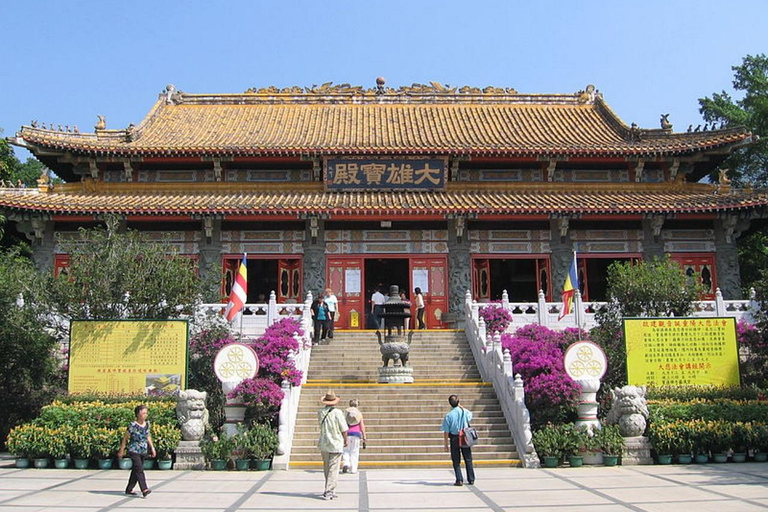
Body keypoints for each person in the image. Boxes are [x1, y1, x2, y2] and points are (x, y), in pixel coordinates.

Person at [117, 404, 156, 498]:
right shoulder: (132, 425)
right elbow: (125, 438)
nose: (145, 415)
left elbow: (148, 436)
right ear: (138, 414)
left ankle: (129, 489)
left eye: (146, 413)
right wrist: (121, 450)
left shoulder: (147, 424)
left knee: (136, 470)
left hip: (143, 450)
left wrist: (152, 448)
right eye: (143, 413)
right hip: (134, 450)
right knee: (139, 469)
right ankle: (144, 489)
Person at [317, 390, 348, 500]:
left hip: (324, 442)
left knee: (327, 467)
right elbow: (343, 429)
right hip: (335, 442)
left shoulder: (320, 412)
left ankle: (329, 488)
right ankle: (329, 490)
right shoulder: (338, 413)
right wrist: (345, 440)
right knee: (333, 468)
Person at [441, 394, 475, 486]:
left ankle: (459, 479)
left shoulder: (448, 415)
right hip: (465, 436)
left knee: (456, 460)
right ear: (458, 402)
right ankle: (471, 478)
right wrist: (462, 407)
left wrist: (445, 444)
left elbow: (446, 431)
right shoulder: (464, 412)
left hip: (454, 438)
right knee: (468, 458)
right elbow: (470, 416)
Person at [342, 399, 367, 474]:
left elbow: (343, 424)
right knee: (354, 451)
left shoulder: (346, 412)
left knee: (346, 450)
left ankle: (346, 463)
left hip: (347, 432)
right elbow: (362, 426)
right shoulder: (359, 413)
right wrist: (364, 436)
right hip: (356, 433)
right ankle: (353, 469)